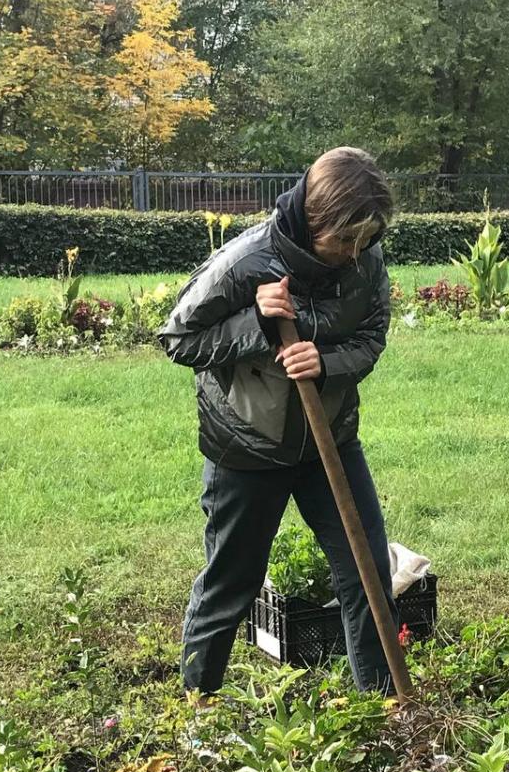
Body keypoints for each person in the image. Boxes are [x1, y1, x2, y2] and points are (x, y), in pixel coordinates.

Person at [159, 146, 399, 703]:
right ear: (314, 219)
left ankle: (387, 709)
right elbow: (178, 341)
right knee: (232, 585)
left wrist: (327, 362)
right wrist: (257, 323)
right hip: (246, 447)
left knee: (368, 577)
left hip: (329, 442)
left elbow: (371, 337)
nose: (354, 254)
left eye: (364, 241)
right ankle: (198, 711)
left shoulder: (366, 259)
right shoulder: (246, 261)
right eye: (344, 240)